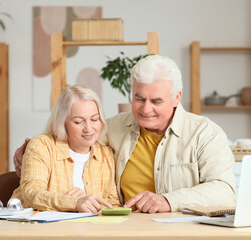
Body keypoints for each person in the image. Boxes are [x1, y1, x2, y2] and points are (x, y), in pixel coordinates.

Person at [14, 55, 236, 213]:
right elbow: (71, 135)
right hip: (126, 230)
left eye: (156, 101)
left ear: (177, 97)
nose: (145, 109)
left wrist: (168, 200)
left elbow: (225, 191)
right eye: (139, 98)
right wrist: (29, 150)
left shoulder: (205, 134)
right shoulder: (114, 128)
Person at [11, 85, 120, 213]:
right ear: (63, 123)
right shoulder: (41, 145)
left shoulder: (105, 153)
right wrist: (74, 203)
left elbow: (113, 204)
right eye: (79, 122)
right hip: (37, 228)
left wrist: (88, 203)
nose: (89, 128)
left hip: (88, 230)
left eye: (94, 119)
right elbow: (31, 193)